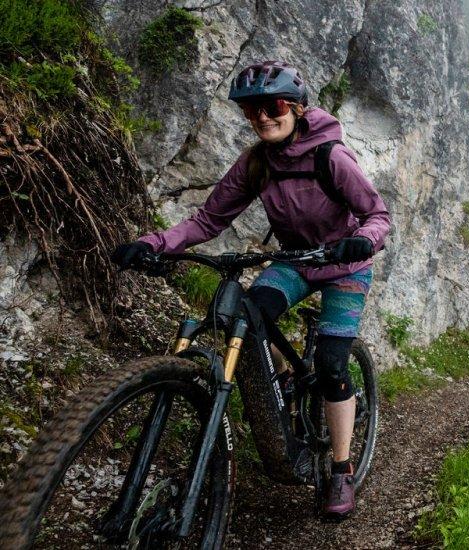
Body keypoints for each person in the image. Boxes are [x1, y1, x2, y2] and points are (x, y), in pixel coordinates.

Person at [110, 61, 390, 520]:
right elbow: (207, 220)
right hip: (296, 260)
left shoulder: (332, 157)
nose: (262, 117)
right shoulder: (256, 162)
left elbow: (377, 215)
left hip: (344, 265)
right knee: (248, 315)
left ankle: (340, 469)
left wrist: (362, 241)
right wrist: (151, 242)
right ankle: (278, 384)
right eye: (251, 111)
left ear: (296, 107)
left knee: (333, 365)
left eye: (273, 106)